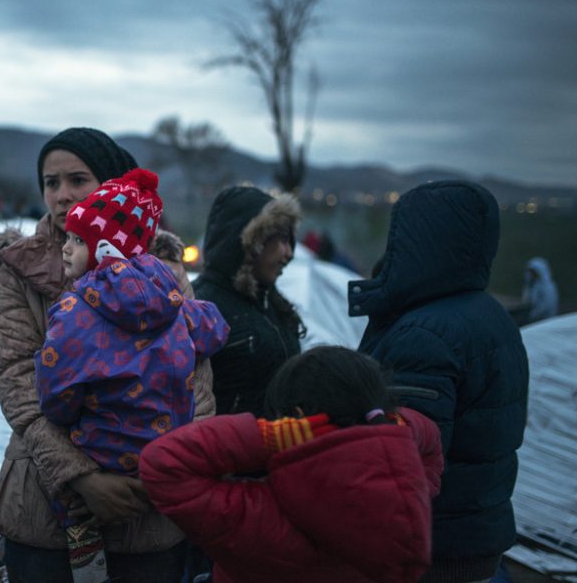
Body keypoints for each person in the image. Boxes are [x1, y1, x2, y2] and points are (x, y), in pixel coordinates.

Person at [0, 127, 216, 583]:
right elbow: (17, 377)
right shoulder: (19, 267)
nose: (63, 195)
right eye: (51, 183)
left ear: (112, 185)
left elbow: (195, 378)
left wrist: (161, 472)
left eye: (78, 179)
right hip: (45, 503)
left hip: (146, 507)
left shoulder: (163, 271)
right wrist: (81, 477)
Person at [34, 167, 229, 581]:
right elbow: (214, 329)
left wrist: (67, 416)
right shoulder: (172, 299)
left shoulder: (73, 314)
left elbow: (56, 396)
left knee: (67, 503)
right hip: (159, 455)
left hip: (99, 451)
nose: (66, 248)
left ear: (103, 250)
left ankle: (87, 560)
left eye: (75, 239)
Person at [349, 180, 529, 583]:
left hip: (431, 553)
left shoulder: (425, 334)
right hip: (475, 539)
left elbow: (402, 463)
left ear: (415, 238)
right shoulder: (489, 316)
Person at [139, 345, 444, 583]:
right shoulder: (405, 499)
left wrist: (267, 438)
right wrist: (391, 432)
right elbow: (430, 443)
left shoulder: (263, 515)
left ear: (295, 420)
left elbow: (164, 463)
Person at [193, 185, 304, 416]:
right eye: (282, 239)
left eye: (290, 241)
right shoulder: (200, 307)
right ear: (249, 241)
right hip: (225, 449)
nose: (289, 253)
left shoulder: (271, 304)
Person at [522, 256, 559, 323]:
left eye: (532, 272)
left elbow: (547, 304)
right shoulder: (533, 285)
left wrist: (534, 314)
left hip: (546, 319)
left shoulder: (548, 286)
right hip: (534, 318)